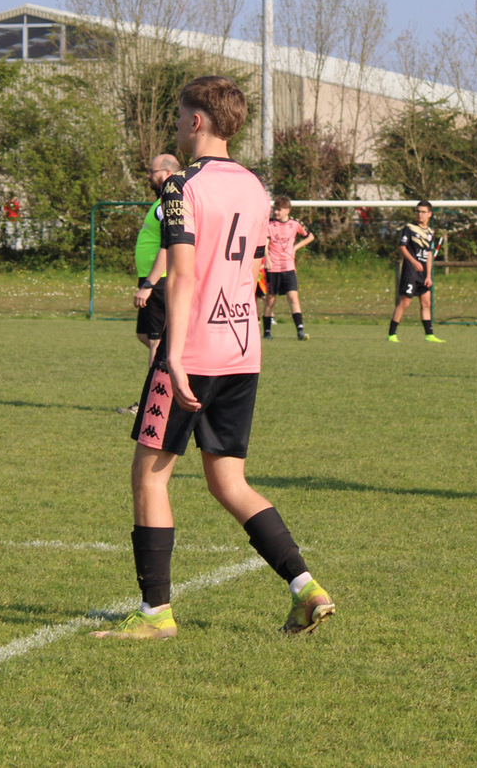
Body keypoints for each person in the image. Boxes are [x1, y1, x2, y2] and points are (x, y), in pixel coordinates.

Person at [95, 76, 333, 641]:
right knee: (229, 482)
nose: (177, 126)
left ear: (197, 122)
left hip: (194, 351)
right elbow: (252, 268)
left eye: (180, 117)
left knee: (149, 476)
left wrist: (173, 355)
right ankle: (307, 588)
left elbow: (182, 274)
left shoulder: (182, 185)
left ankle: (155, 615)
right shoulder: (254, 187)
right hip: (242, 349)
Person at [120, 154, 181, 416]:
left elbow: (168, 247)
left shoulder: (167, 204)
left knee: (157, 343)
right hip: (154, 281)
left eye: (152, 171)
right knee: (146, 336)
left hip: (159, 282)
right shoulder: (161, 202)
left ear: (166, 174)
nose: (148, 175)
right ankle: (176, 372)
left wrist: (149, 284)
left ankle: (151, 405)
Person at [388, 201, 443, 343]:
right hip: (410, 272)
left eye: (423, 212)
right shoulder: (409, 228)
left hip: (423, 274)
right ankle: (392, 334)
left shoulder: (430, 232)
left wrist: (429, 275)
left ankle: (429, 335)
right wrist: (413, 262)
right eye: (418, 211)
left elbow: (429, 255)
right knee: (405, 302)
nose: (420, 214)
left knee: (426, 302)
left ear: (429, 214)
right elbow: (402, 247)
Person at [262, 196, 315, 340]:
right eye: (275, 209)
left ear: (287, 210)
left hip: (288, 267)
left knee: (293, 297)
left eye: (279, 210)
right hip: (273, 267)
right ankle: (267, 332)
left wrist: (295, 248)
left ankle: (300, 331)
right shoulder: (270, 225)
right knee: (270, 300)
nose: (276, 212)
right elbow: (265, 243)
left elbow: (310, 237)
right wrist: (267, 258)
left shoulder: (295, 224)